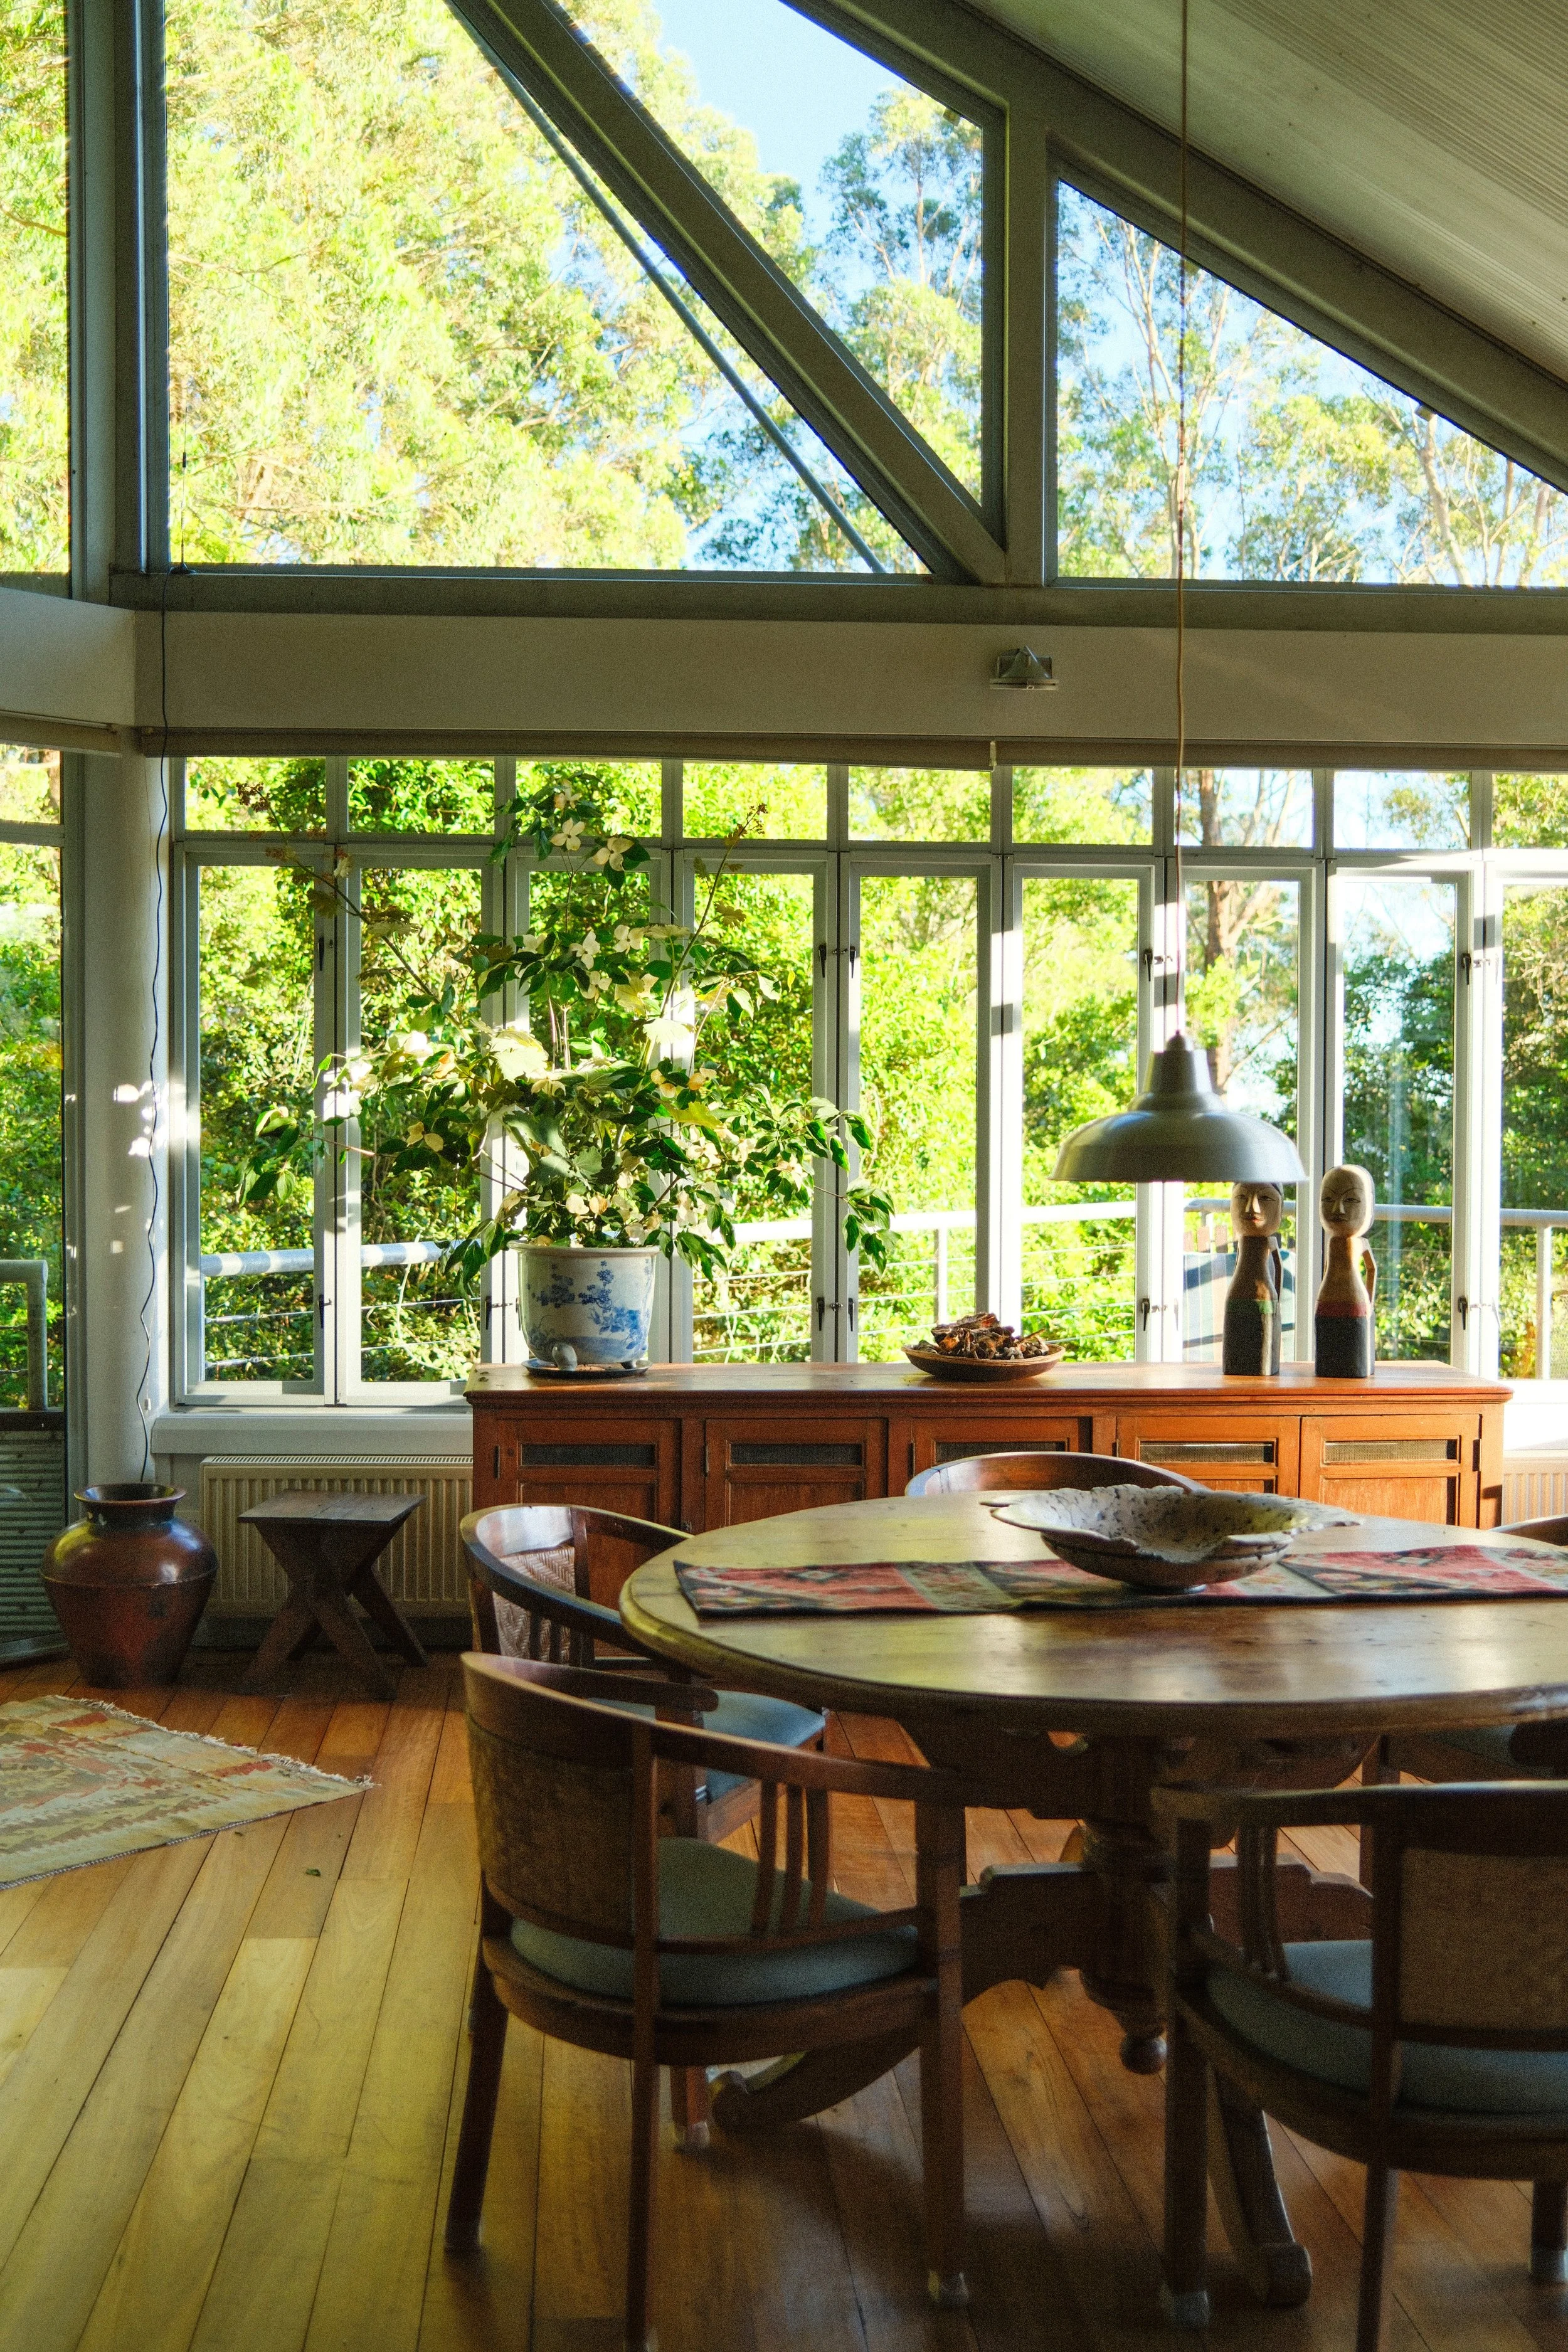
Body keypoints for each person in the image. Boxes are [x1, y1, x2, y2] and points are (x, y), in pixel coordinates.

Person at [1314, 1163, 1377, 1379]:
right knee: (1329, 1353)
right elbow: (1329, 1268)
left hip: (1355, 1303)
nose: (1337, 1210)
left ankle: (1358, 1368)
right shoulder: (1334, 1243)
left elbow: (1372, 1268)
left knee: (1355, 1353)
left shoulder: (1359, 1243)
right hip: (1327, 1300)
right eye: (1328, 1200)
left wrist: (1369, 1303)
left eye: (1351, 1200)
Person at [1222, 1180, 1284, 1375]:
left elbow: (1278, 1267)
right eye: (1242, 1197)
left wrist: (1275, 1303)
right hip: (1240, 1294)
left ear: (1279, 1208)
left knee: (1263, 1353)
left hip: (1263, 1296)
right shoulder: (1244, 1242)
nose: (1252, 1208)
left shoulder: (1269, 1242)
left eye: (1265, 1198)